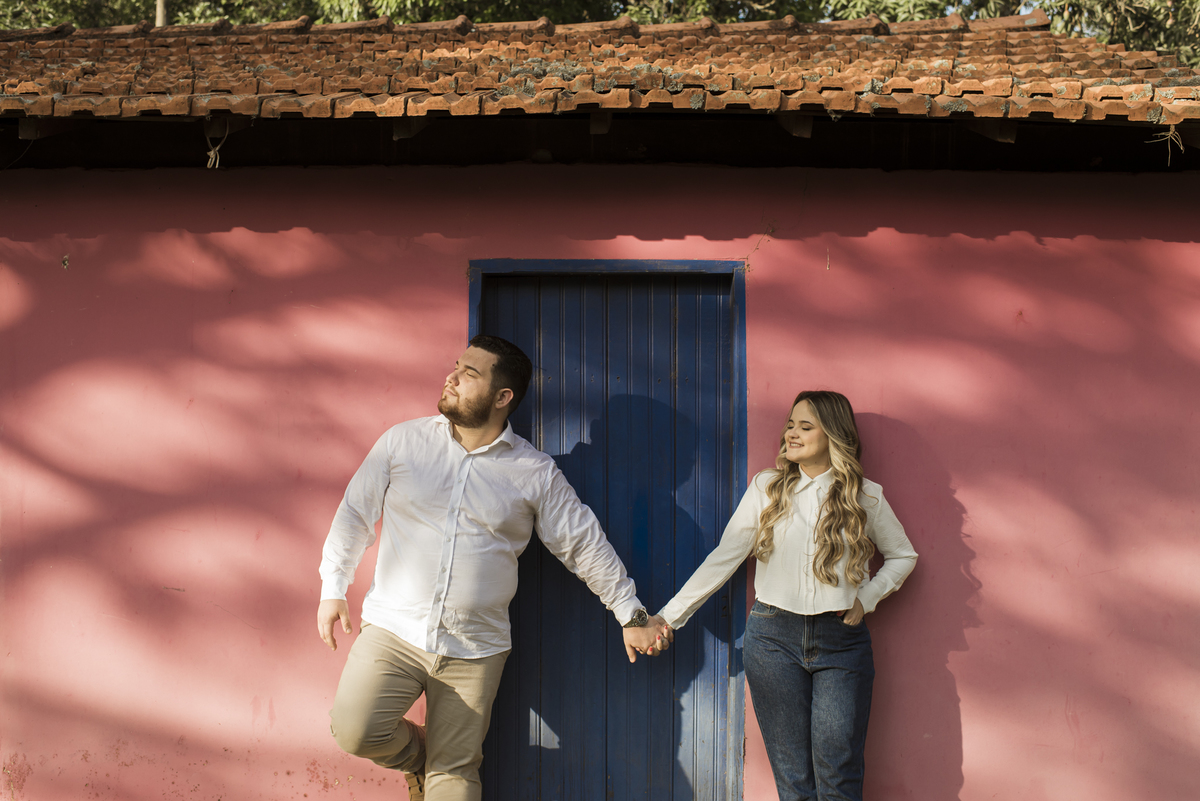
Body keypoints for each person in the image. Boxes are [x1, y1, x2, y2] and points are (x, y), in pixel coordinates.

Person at [317, 334, 670, 801]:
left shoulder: (534, 471)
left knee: (456, 774)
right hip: (393, 632)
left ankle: (442, 767)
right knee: (355, 730)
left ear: (503, 397)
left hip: (475, 648)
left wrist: (632, 614)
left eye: (470, 374)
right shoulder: (403, 441)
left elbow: (583, 545)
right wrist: (333, 587)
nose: (453, 377)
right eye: (456, 366)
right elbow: (355, 514)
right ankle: (422, 756)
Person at [656, 390, 917, 801]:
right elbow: (725, 558)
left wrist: (867, 598)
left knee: (839, 774)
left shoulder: (865, 495)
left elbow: (903, 555)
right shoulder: (767, 487)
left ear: (833, 434)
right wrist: (668, 617)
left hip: (841, 644)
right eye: (790, 424)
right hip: (773, 639)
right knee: (793, 780)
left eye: (805, 426)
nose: (791, 433)